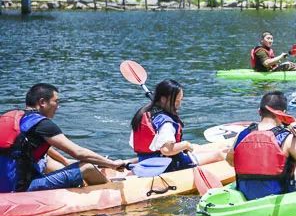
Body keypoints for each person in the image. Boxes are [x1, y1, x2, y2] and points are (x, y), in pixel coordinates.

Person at [0, 83, 128, 193]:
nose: (58, 106)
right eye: (56, 101)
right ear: (43, 102)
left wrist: (65, 161)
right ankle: (109, 190)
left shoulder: (16, 118)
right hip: (20, 188)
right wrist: (112, 164)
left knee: (46, 161)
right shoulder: (42, 124)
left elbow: (27, 148)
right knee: (87, 167)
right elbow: (78, 153)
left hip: (6, 182)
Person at [225, 91, 296, 200]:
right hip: (278, 197)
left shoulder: (242, 134)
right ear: (284, 113)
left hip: (246, 195)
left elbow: (230, 161)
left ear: (259, 112)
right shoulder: (287, 138)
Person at [130, 79, 222, 173]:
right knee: (218, 155)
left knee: (197, 147)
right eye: (177, 101)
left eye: (180, 100)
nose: (179, 105)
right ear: (163, 99)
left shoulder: (143, 114)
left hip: (146, 162)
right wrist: (185, 144)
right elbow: (166, 150)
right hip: (166, 165)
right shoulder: (166, 123)